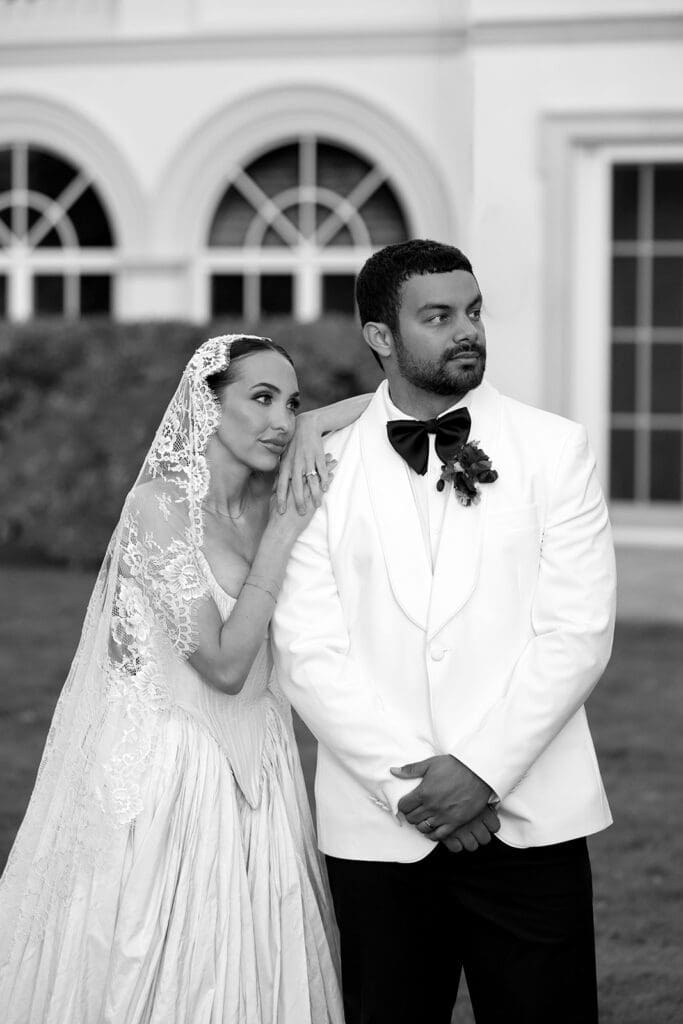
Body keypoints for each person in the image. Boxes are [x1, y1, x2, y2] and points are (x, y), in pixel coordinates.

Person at [272, 239, 617, 1024]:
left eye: (472, 311)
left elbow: (576, 632)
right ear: (380, 337)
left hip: (531, 818)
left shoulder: (554, 448)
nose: (467, 331)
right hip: (380, 828)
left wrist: (480, 772)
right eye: (437, 317)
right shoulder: (318, 464)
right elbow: (305, 650)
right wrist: (418, 792)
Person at [0, 334, 368, 1024]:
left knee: (260, 966)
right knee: (162, 963)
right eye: (259, 399)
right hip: (172, 768)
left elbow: (388, 405)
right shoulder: (157, 510)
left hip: (262, 762)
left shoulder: (273, 493)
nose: (281, 422)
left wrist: (319, 423)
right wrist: (285, 536)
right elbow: (225, 664)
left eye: (292, 405)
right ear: (206, 406)